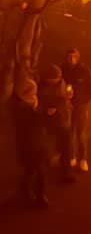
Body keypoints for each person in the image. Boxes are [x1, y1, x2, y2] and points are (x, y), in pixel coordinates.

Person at [11, 76, 49, 208]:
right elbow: (31, 124)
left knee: (34, 171)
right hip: (29, 145)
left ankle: (29, 193)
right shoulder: (19, 108)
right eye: (32, 91)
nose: (35, 94)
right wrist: (43, 114)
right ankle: (38, 196)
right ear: (24, 93)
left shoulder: (34, 102)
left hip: (39, 142)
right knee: (37, 171)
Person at [38, 64, 75, 183]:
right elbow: (37, 104)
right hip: (49, 124)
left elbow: (66, 100)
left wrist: (69, 96)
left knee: (67, 149)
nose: (56, 81)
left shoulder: (63, 83)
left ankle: (66, 173)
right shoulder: (41, 88)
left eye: (58, 78)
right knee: (47, 150)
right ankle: (43, 175)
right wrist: (46, 110)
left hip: (64, 121)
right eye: (53, 80)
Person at [61, 48, 91, 172]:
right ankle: (72, 157)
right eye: (69, 57)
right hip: (67, 108)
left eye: (74, 56)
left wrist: (84, 101)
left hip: (80, 107)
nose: (71, 59)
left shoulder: (84, 71)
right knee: (69, 134)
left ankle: (83, 159)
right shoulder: (63, 70)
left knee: (80, 134)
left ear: (78, 57)